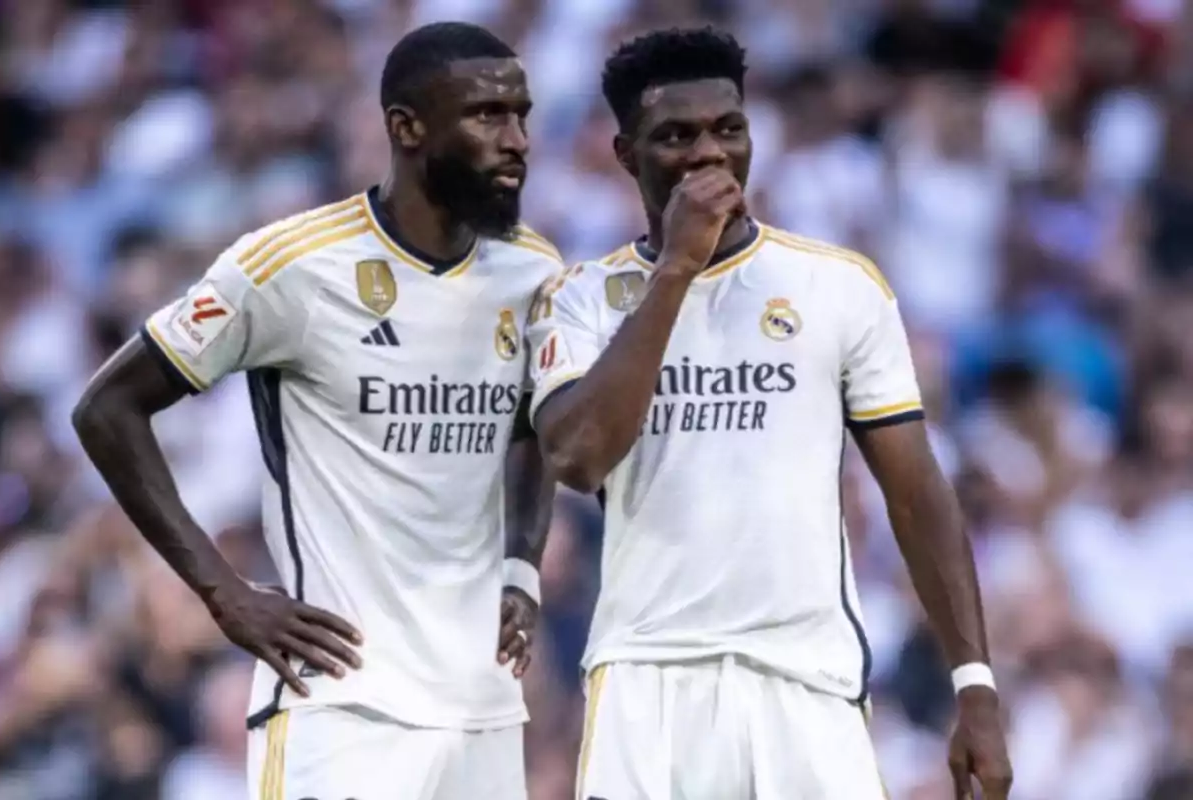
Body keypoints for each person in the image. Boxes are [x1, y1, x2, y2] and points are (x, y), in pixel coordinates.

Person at [72, 21, 560, 800]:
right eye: (487, 116)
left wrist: (522, 567)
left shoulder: (531, 268)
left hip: (484, 705)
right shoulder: (291, 266)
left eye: (522, 114)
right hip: (343, 705)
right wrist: (223, 593)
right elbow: (107, 409)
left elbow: (534, 425)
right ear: (406, 127)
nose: (518, 140)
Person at [525, 27, 1014, 800]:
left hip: (807, 679)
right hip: (650, 677)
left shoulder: (839, 287)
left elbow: (917, 492)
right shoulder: (578, 298)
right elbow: (579, 456)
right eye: (675, 137)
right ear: (626, 155)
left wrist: (976, 685)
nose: (708, 154)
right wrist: (678, 270)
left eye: (729, 129)